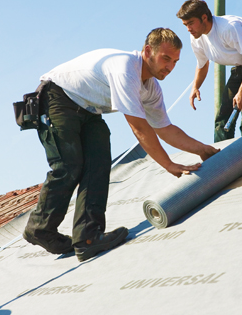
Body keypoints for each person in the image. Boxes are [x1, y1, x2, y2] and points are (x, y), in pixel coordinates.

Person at [23, 28, 220, 262]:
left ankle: (88, 239)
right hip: (57, 97)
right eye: (165, 58)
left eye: (175, 61)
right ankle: (40, 228)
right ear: (148, 51)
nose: (170, 66)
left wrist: (204, 151)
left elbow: (165, 129)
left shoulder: (151, 89)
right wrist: (168, 164)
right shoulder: (127, 68)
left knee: (99, 163)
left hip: (88, 110)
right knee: (69, 165)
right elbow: (139, 127)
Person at [176, 0, 242, 142]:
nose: (188, 29)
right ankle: (223, 158)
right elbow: (202, 64)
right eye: (185, 25)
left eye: (190, 23)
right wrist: (195, 87)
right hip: (241, 66)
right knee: (222, 117)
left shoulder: (228, 28)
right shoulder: (196, 38)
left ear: (204, 17)